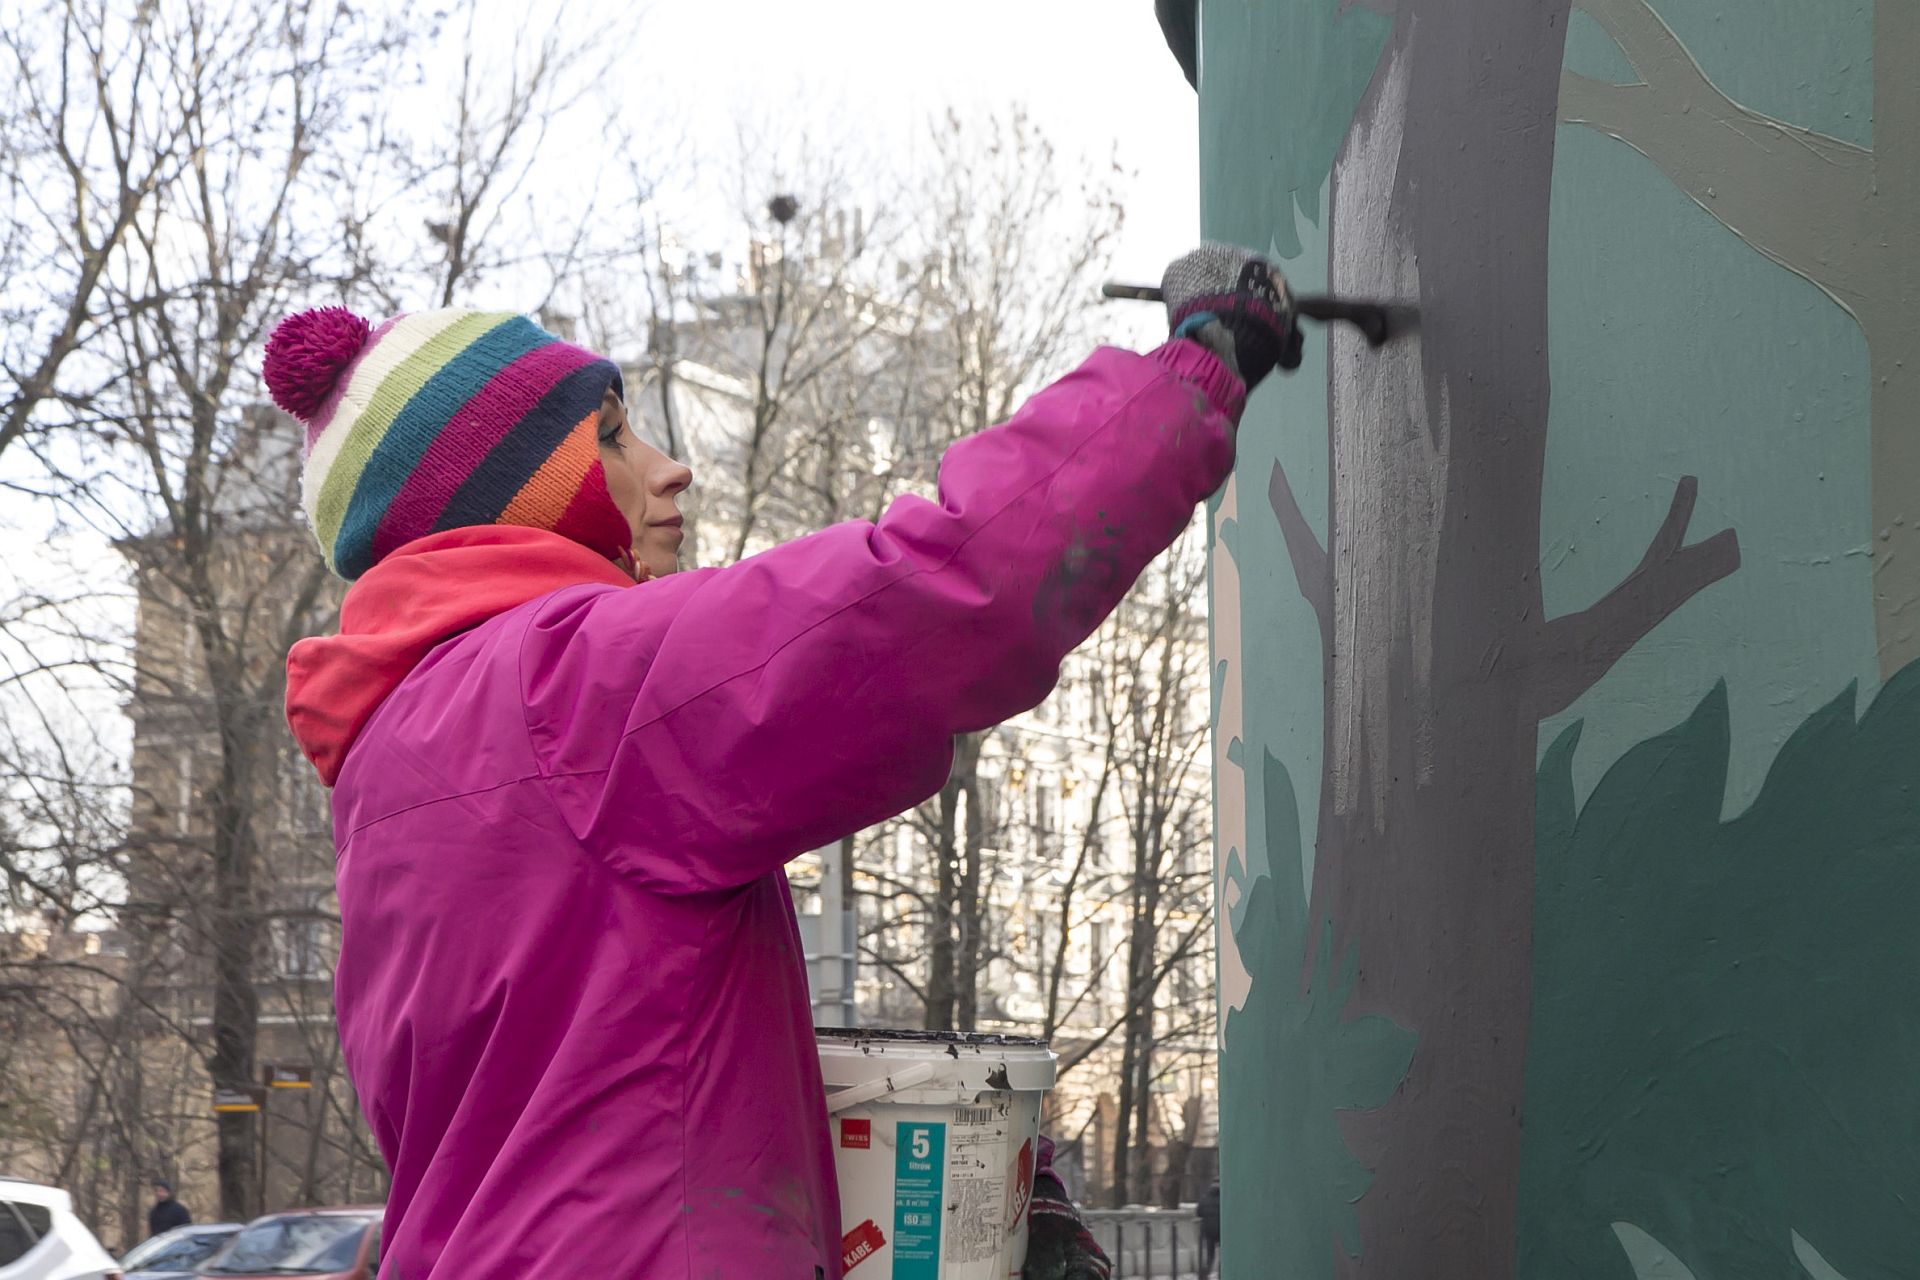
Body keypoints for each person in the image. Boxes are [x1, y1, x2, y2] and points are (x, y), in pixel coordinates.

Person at [270, 244, 1296, 1278]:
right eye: (614, 434)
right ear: (514, 491)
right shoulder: (571, 687)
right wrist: (1195, 370)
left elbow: (551, 1126)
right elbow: (936, 591)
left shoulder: (387, 754)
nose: (669, 466)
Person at [1197, 1178, 1221, 1277]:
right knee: (1224, 1254)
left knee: (1210, 1255)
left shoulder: (1205, 1197)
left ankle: (1206, 1273)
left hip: (1207, 1230)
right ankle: (1221, 1273)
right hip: (1220, 1230)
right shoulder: (1223, 1197)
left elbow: (1198, 1212)